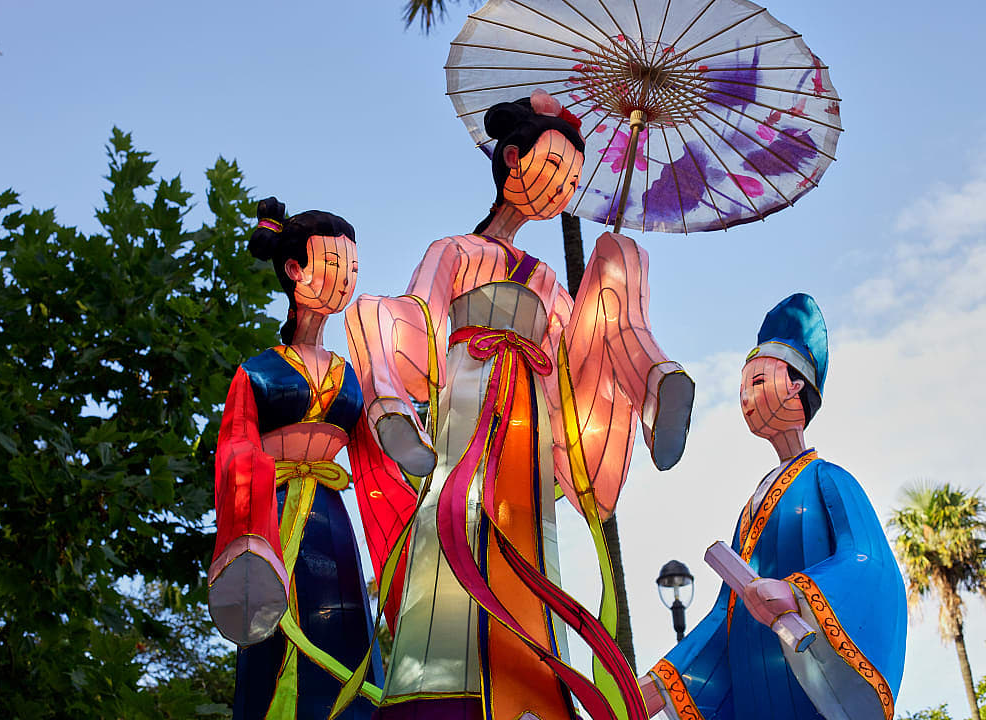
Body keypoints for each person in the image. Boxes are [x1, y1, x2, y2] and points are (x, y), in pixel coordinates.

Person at [346, 89, 694, 720]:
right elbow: (420, 315)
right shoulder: (455, 251)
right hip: (466, 404)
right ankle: (388, 409)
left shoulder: (545, 281)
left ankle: (654, 388)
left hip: (528, 423)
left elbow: (575, 352)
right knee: (373, 313)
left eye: (572, 179)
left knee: (617, 272)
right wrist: (403, 363)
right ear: (512, 158)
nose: (563, 188)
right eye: (554, 169)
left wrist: (608, 288)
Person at [638, 293, 907, 720]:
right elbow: (721, 621)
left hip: (807, 691)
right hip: (755, 695)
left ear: (797, 385)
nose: (746, 398)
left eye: (758, 382)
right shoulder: (749, 511)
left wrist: (796, 592)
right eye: (743, 388)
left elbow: (869, 563)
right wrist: (650, 692)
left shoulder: (829, 480)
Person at [208, 198, 417, 720]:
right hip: (272, 515)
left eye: (351, 270)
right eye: (333, 266)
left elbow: (377, 463)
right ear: (295, 270)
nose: (343, 281)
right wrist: (250, 530)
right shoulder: (256, 371)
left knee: (347, 620)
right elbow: (236, 446)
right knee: (277, 631)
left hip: (333, 518)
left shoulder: (351, 374)